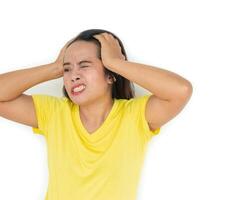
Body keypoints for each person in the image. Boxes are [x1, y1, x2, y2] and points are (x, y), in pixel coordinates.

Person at [0, 29, 193, 200]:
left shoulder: (135, 116)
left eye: (84, 65)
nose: (73, 75)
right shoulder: (54, 113)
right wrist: (54, 67)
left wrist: (114, 62)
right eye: (67, 69)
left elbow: (181, 90)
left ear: (111, 75)